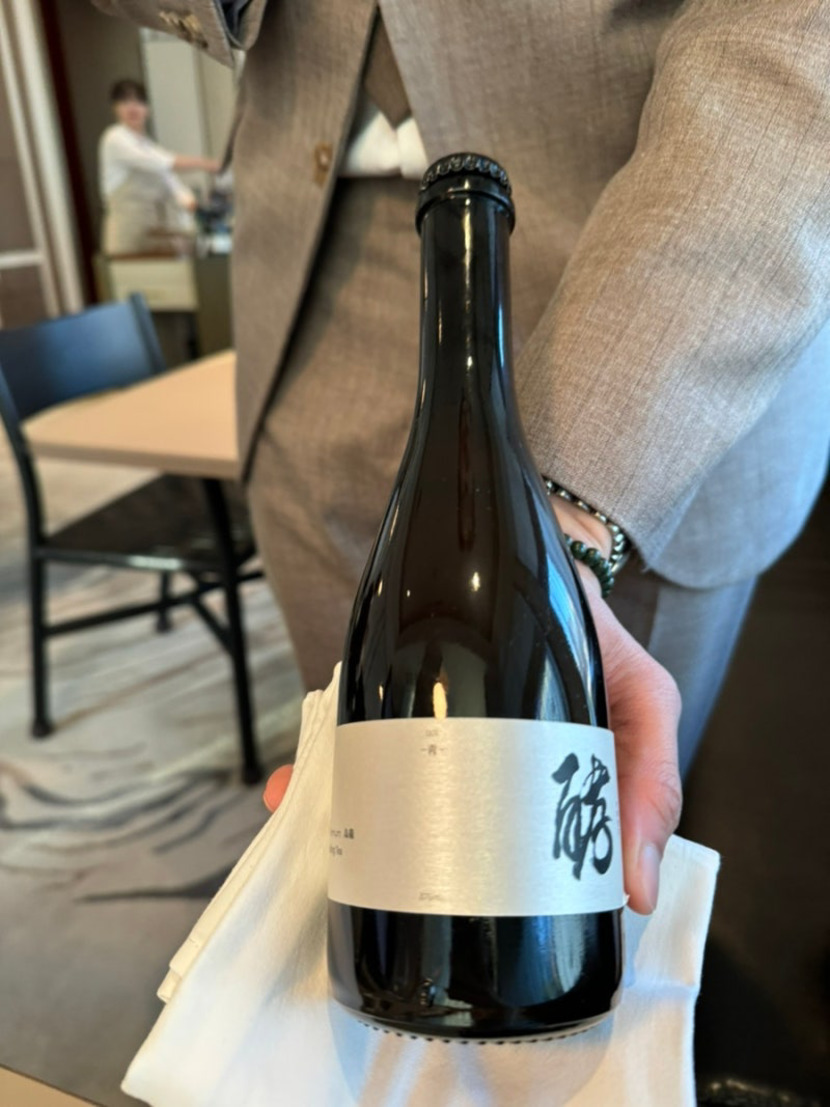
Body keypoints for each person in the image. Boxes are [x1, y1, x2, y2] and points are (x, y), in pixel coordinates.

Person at [91, 1, 830, 915]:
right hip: (306, 306)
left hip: (632, 313)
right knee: (383, 864)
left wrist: (557, 518)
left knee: (573, 899)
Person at [98, 78, 220, 255]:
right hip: (125, 238)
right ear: (115, 108)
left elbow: (169, 181)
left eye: (138, 101)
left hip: (151, 237)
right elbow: (164, 162)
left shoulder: (148, 146)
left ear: (147, 109)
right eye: (125, 101)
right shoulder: (115, 138)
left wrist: (192, 203)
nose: (132, 107)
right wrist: (208, 164)